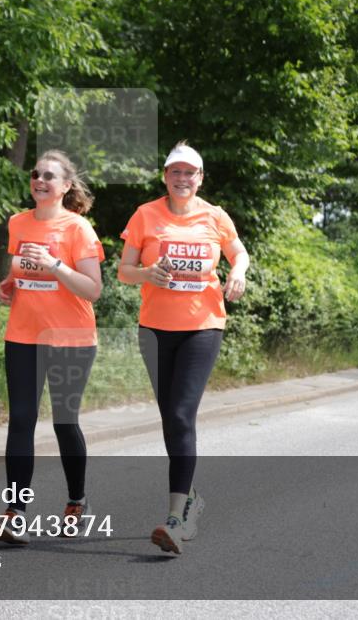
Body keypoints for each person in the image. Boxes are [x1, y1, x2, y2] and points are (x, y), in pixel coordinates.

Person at [118, 141, 250, 555]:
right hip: (155, 329)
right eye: (175, 171)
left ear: (200, 178)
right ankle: (190, 496)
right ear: (165, 177)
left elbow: (238, 252)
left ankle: (176, 519)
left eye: (189, 172)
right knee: (170, 420)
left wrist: (238, 272)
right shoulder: (145, 215)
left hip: (202, 326)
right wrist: (147, 273)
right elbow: (124, 271)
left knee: (180, 414)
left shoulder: (215, 216)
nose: (182, 178)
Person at [0, 150, 104, 545]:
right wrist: (10, 285)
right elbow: (21, 273)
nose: (39, 180)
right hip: (23, 335)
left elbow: (93, 289)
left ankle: (77, 502)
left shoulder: (78, 229)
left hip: (71, 337)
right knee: (21, 420)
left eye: (49, 176)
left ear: (66, 186)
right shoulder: (18, 223)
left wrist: (55, 265)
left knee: (64, 422)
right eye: (36, 174)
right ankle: (15, 513)